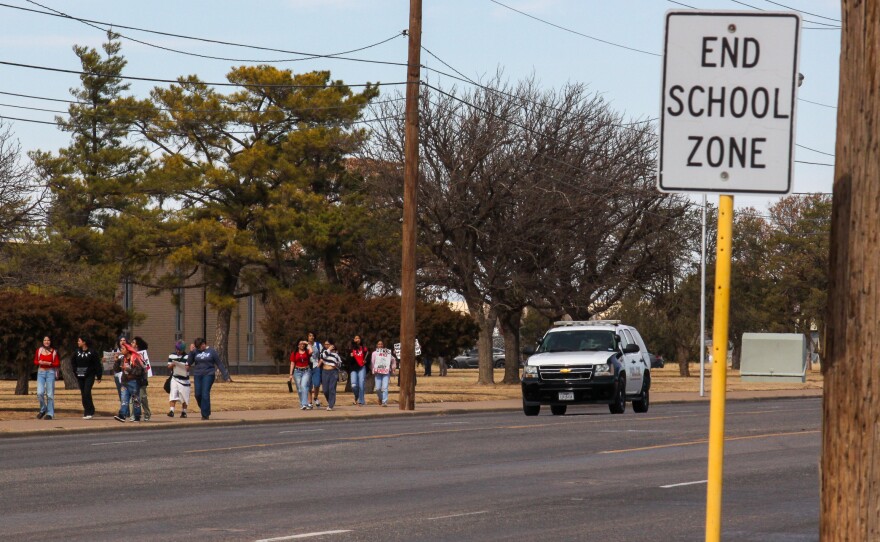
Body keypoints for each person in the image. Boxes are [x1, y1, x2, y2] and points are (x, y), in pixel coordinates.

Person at [191, 338, 232, 420]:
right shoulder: (195, 352)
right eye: (199, 347)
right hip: (198, 375)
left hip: (209, 374)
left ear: (204, 344)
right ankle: (204, 408)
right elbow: (189, 362)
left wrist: (226, 375)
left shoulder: (211, 351)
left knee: (205, 393)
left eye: (202, 345)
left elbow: (219, 363)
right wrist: (191, 352)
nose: (201, 348)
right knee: (198, 394)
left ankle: (205, 414)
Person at [72, 335, 102, 419]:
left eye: (79, 341)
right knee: (83, 393)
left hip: (90, 374)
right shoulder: (77, 352)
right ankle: (86, 410)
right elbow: (73, 362)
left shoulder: (92, 352)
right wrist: (75, 371)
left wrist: (99, 376)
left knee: (87, 391)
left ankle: (90, 411)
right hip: (80, 374)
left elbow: (97, 364)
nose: (78, 342)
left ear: (84, 342)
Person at [114, 343, 144, 422]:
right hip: (124, 382)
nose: (121, 350)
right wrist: (116, 361)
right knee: (124, 399)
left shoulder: (134, 358)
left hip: (133, 382)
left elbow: (139, 371)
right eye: (121, 349)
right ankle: (122, 415)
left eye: (123, 349)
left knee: (135, 400)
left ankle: (137, 416)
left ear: (128, 350)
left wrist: (128, 369)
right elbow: (117, 370)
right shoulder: (122, 359)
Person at [34, 335, 60, 420]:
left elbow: (57, 363)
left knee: (49, 394)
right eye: (45, 340)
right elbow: (35, 361)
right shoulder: (39, 350)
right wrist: (40, 362)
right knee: (40, 393)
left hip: (50, 373)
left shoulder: (54, 352)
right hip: (41, 372)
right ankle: (43, 409)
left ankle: (50, 413)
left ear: (50, 341)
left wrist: (50, 364)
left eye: (48, 340)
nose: (46, 341)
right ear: (43, 341)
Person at [167, 340, 191, 418]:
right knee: (173, 394)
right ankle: (171, 410)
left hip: (184, 379)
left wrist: (183, 366)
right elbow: (168, 366)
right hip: (175, 377)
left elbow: (188, 368)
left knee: (184, 396)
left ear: (183, 350)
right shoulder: (172, 355)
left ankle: (184, 412)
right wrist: (173, 364)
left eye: (179, 350)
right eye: (176, 349)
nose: (177, 351)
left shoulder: (187, 357)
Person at [131, 336, 152, 421]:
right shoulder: (131, 354)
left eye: (133, 342)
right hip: (133, 378)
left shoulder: (142, 355)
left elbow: (146, 368)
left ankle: (147, 413)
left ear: (137, 345)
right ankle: (134, 415)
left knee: (142, 397)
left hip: (141, 378)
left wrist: (145, 379)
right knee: (133, 397)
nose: (131, 344)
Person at [370, 340, 396, 407]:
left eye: (381, 344)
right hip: (377, 372)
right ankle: (380, 398)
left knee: (385, 387)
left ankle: (384, 402)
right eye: (379, 344)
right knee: (378, 388)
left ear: (383, 345)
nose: (380, 345)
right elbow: (372, 362)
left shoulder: (387, 352)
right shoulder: (374, 353)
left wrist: (393, 368)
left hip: (386, 372)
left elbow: (393, 360)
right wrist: (373, 370)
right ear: (377, 345)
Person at [319, 339, 342, 411]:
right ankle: (330, 401)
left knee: (332, 388)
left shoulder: (336, 354)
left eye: (328, 344)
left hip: (333, 372)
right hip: (325, 372)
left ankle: (331, 405)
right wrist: (328, 349)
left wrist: (337, 365)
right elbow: (322, 357)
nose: (326, 346)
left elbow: (340, 363)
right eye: (325, 344)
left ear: (332, 345)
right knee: (325, 390)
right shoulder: (324, 352)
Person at [289, 340, 312, 410]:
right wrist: (290, 374)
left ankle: (304, 404)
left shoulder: (307, 352)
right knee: (299, 389)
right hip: (297, 372)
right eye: (300, 344)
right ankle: (302, 403)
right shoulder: (294, 353)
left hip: (306, 371)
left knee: (304, 386)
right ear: (298, 345)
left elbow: (311, 350)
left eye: (303, 344)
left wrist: (307, 343)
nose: (302, 345)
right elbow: (292, 363)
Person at [349, 335, 369, 406]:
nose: (357, 339)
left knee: (361, 383)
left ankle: (361, 401)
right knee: (354, 385)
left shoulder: (363, 348)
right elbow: (347, 360)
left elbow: (367, 357)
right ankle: (356, 395)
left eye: (358, 338)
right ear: (353, 340)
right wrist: (350, 356)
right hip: (353, 368)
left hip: (361, 367)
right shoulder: (351, 348)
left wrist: (365, 361)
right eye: (355, 338)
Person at [307, 332, 323, 408]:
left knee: (317, 384)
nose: (311, 337)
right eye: (310, 336)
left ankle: (315, 397)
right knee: (309, 385)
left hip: (316, 366)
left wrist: (319, 364)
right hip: (308, 367)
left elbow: (323, 355)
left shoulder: (318, 345)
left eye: (313, 336)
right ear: (307, 337)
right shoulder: (305, 345)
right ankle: (310, 402)